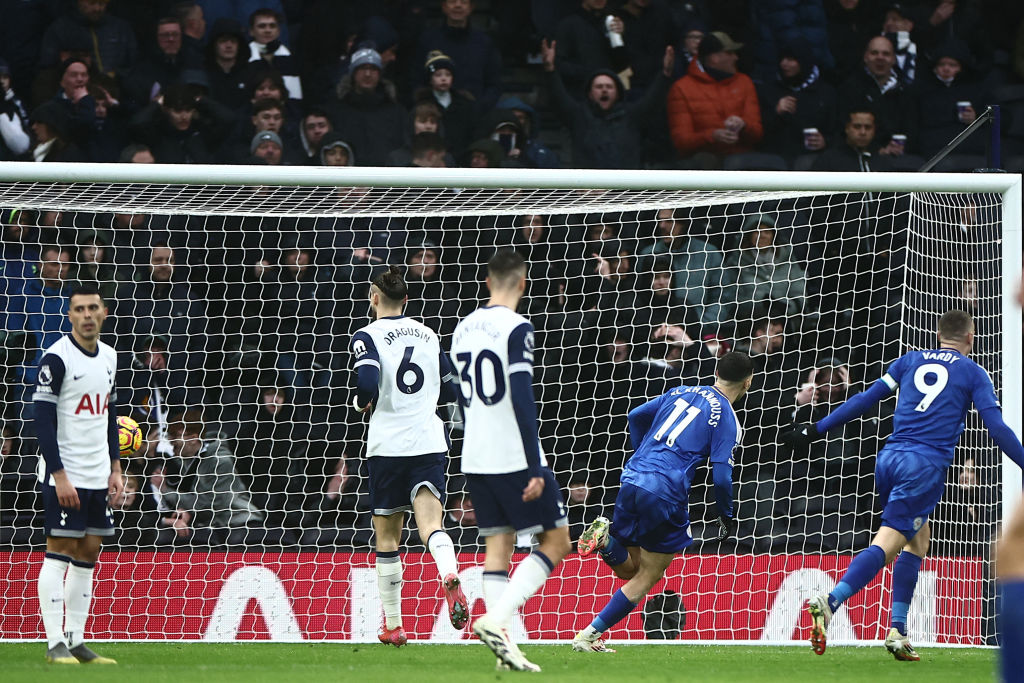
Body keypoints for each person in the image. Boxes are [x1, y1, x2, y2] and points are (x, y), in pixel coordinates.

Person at [782, 310, 1024, 660]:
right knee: (889, 541)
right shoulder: (974, 373)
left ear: (938, 334)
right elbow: (997, 429)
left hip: (890, 458)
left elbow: (865, 399)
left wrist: (816, 429)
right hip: (923, 466)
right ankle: (830, 600)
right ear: (971, 338)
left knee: (917, 539)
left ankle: (898, 629)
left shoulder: (909, 360)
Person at [571, 351, 750, 652]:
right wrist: (726, 515)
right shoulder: (728, 420)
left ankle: (604, 541)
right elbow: (721, 477)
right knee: (649, 575)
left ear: (716, 371)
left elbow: (634, 416)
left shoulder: (680, 390)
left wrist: (641, 453)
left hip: (633, 477)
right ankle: (587, 636)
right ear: (748, 383)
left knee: (629, 569)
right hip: (665, 491)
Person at [453, 250, 571, 673]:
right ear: (523, 283)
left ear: (487, 281)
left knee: (497, 548)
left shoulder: (462, 328)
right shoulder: (517, 327)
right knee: (557, 541)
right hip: (512, 454)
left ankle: (508, 649)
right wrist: (535, 464)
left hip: (475, 452)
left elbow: (460, 396)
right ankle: (498, 619)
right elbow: (521, 395)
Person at [349, 266, 468, 646]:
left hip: (388, 446)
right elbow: (451, 390)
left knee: (387, 538)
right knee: (431, 525)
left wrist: (359, 402)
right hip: (428, 441)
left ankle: (394, 625)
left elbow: (367, 381)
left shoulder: (366, 336)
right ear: (407, 301)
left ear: (373, 297)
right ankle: (448, 572)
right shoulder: (429, 334)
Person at [32, 284, 121, 664]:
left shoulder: (111, 357)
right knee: (60, 552)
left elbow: (109, 415)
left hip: (98, 472)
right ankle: (54, 644)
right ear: (69, 315)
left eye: (92, 308)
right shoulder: (56, 358)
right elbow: (42, 420)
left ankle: (76, 640)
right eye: (79, 309)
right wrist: (59, 475)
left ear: (103, 313)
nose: (86, 315)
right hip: (65, 474)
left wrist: (116, 467)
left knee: (89, 551)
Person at [666, 31, 763, 168]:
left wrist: (744, 125)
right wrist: (712, 136)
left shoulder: (744, 82)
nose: (736, 58)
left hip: (742, 161)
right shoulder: (681, 88)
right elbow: (681, 142)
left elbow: (758, 134)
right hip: (704, 164)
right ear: (714, 58)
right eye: (730, 53)